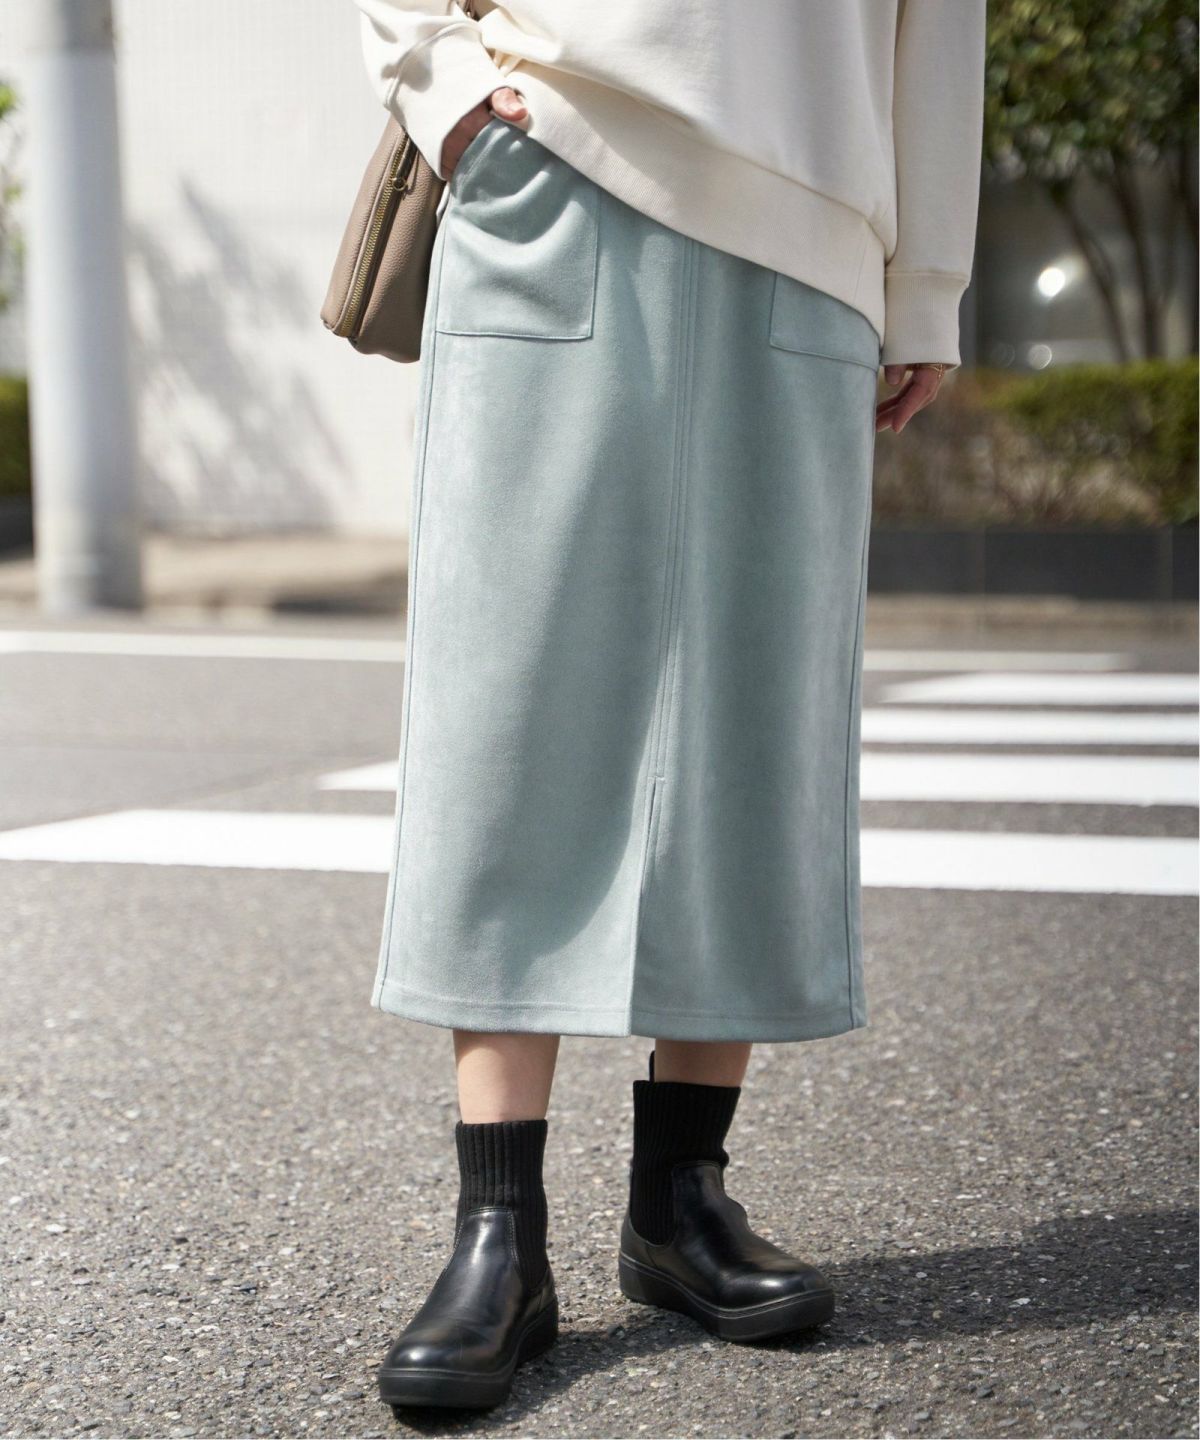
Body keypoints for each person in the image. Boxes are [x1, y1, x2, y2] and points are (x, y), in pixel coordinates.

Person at [350, 0, 986, 1412]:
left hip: (811, 230)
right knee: (507, 705)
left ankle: (682, 1202)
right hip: (559, 164)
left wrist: (928, 279)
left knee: (747, 720)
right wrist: (446, 90)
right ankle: (497, 1231)